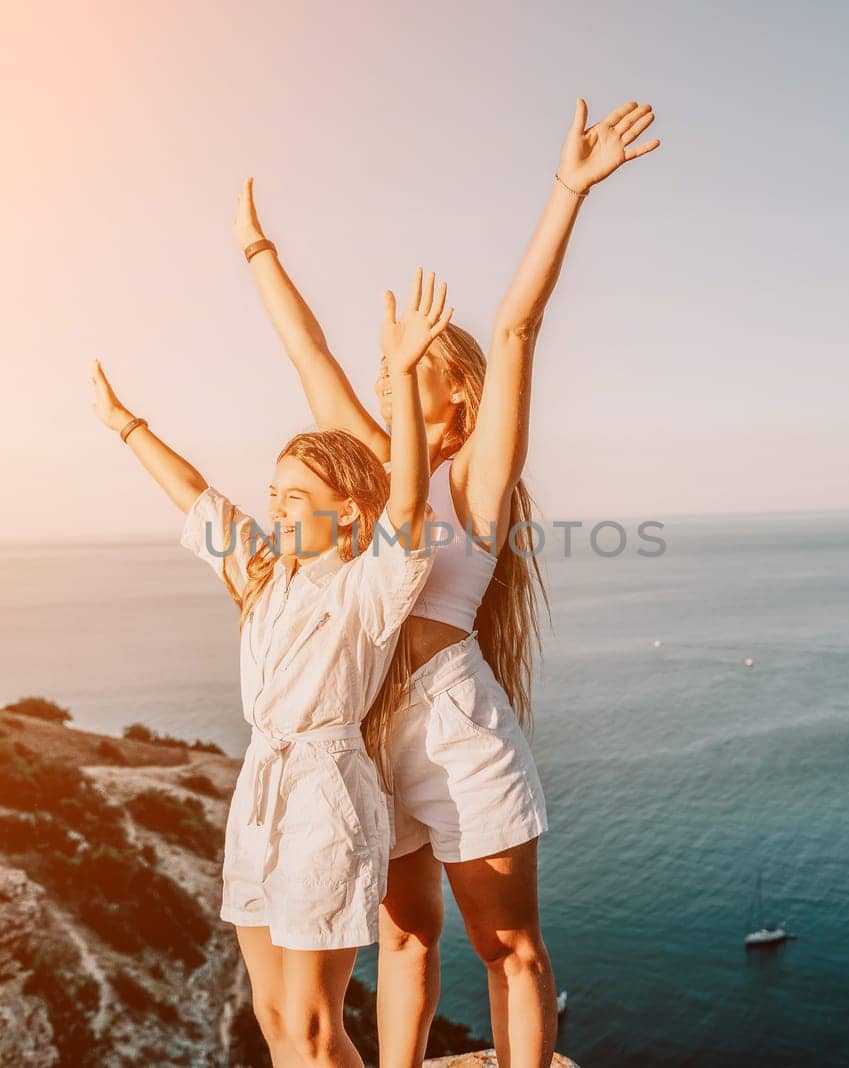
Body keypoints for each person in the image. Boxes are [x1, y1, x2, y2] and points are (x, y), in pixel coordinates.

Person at [233, 98, 660, 1067]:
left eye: (410, 368)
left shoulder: (471, 481)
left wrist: (567, 191)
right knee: (401, 936)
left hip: (454, 721)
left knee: (506, 945)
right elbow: (310, 356)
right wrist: (257, 250)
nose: (388, 382)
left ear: (454, 392)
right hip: (364, 731)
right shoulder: (377, 472)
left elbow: (514, 328)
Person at [88, 267, 456, 1067]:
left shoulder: (370, 587)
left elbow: (409, 511)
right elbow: (194, 494)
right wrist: (125, 425)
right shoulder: (260, 574)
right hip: (261, 788)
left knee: (318, 1025)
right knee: (276, 1019)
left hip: (327, 796)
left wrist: (403, 375)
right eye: (273, 494)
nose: (275, 509)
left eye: (294, 498)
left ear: (345, 513)